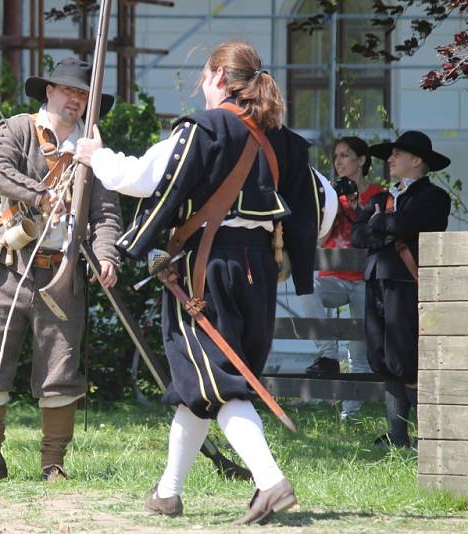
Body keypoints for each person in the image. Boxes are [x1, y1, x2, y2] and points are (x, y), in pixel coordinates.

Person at [75, 40, 320, 524]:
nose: (202, 90)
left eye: (205, 80)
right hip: (259, 271)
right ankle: (168, 492)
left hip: (206, 269)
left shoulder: (205, 129)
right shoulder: (287, 142)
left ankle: (270, 483)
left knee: (220, 385)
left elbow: (143, 178)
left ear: (219, 80)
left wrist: (96, 155)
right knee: (200, 386)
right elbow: (322, 203)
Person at [0, 57, 122, 481]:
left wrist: (107, 256)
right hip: (9, 266)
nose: (77, 99)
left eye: (84, 94)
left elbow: (105, 214)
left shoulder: (92, 148)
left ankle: (53, 464)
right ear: (49, 91)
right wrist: (41, 194)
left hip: (61, 272)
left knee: (60, 370)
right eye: (69, 90)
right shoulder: (17, 128)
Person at [352, 130, 451, 448]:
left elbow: (404, 226)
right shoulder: (382, 199)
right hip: (376, 280)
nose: (389, 160)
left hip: (406, 284)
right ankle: (397, 435)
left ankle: (428, 436)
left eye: (396, 154)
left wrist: (381, 224)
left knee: (405, 357)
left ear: (417, 160)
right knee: (381, 356)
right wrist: (386, 225)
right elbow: (357, 234)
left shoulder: (434, 197)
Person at [300, 137, 384, 420]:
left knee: (359, 353)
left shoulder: (379, 195)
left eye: (345, 155)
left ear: (361, 160)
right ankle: (328, 356)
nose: (338, 161)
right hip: (332, 278)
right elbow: (322, 240)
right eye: (336, 156)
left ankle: (351, 415)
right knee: (305, 287)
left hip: (363, 280)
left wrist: (361, 208)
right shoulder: (332, 196)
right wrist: (332, 205)